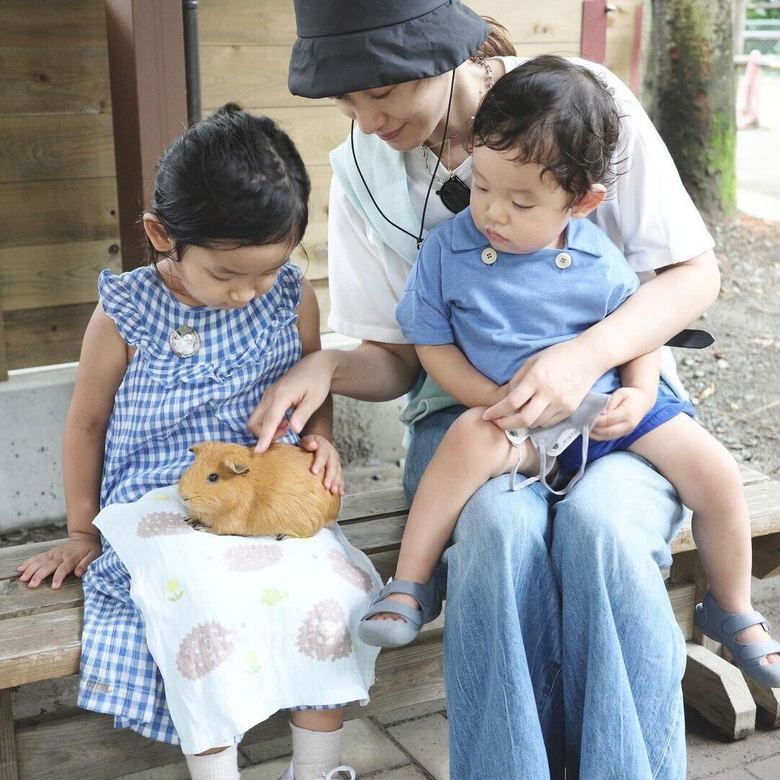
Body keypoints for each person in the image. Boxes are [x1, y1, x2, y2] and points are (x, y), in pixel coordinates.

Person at [249, 2, 725, 777]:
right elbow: (399, 359)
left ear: (438, 51)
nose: (367, 121)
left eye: (381, 94)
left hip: (616, 410)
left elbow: (692, 271)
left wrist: (585, 357)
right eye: (345, 102)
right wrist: (329, 365)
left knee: (603, 532)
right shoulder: (363, 170)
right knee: (498, 539)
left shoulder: (583, 102)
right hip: (471, 422)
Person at [356, 55, 780, 690]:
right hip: (511, 420)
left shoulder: (597, 255)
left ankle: (732, 606)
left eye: (521, 201)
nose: (493, 212)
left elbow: (637, 324)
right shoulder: (449, 252)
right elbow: (430, 345)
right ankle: (411, 584)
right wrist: (493, 401)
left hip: (602, 409)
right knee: (464, 443)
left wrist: (638, 394)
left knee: (714, 470)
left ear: (582, 201)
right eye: (481, 187)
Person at [16, 105, 373, 780]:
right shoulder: (125, 311)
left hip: (261, 494)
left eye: (268, 270)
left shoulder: (289, 297)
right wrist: (80, 531)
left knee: (332, 588)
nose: (249, 293)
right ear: (161, 236)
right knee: (198, 598)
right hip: (160, 504)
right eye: (228, 275)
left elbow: (309, 387)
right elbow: (85, 424)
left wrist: (319, 442)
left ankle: (318, 766)